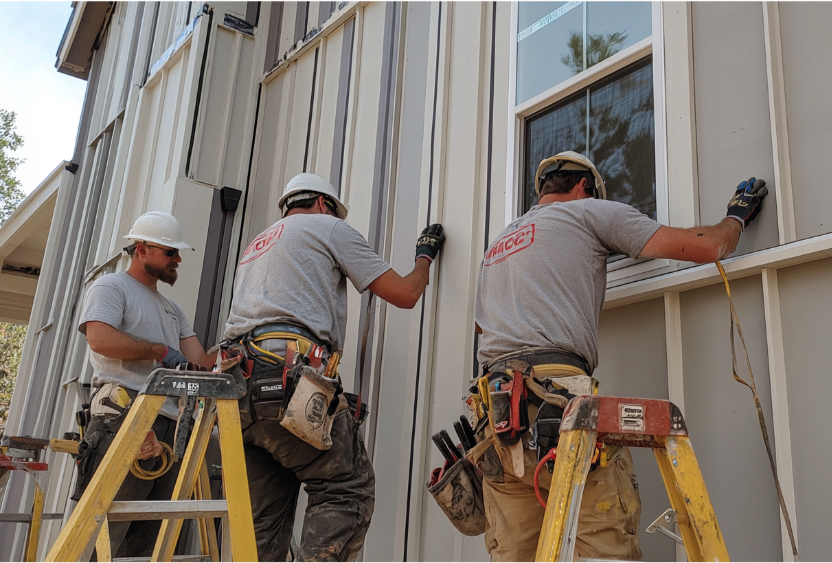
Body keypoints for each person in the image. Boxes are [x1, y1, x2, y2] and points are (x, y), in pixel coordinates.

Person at [471, 151, 768, 561]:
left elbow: (482, 328)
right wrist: (735, 217)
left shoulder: (498, 246)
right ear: (584, 188)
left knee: (518, 554)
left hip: (497, 422)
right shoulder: (589, 213)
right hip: (557, 406)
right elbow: (708, 247)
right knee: (603, 546)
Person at [223, 172, 445, 563]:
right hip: (287, 380)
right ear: (325, 205)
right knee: (348, 487)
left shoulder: (258, 245)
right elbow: (406, 294)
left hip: (239, 392)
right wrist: (423, 259)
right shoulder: (327, 228)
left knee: (264, 526)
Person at [76, 211, 215, 559]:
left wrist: (236, 345)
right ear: (141, 249)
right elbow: (99, 338)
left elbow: (200, 362)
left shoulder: (172, 309)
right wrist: (157, 351)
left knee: (149, 541)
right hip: (126, 417)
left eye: (177, 253)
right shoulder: (111, 287)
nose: (177, 259)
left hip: (169, 426)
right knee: (109, 529)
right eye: (170, 252)